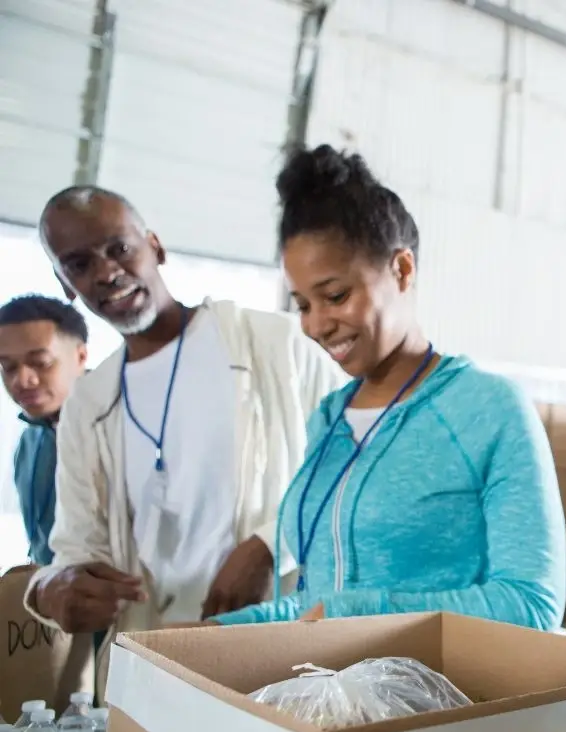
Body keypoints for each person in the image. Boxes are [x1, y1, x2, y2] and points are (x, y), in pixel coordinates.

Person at [210, 145, 566, 629]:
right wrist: (220, 634)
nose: (316, 326)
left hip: (436, 700)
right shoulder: (329, 418)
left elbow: (531, 606)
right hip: (324, 696)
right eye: (303, 304)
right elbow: (316, 603)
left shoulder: (487, 409)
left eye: (335, 296)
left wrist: (351, 614)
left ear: (401, 270)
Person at [22, 185, 345, 694]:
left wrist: (267, 546)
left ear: (155, 246)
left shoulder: (274, 346)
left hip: (281, 657)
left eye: (119, 248)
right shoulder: (89, 402)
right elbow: (76, 547)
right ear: (66, 284)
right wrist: (48, 591)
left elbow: (352, 470)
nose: (106, 272)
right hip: (156, 666)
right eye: (79, 264)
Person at [0, 296, 88, 566]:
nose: (22, 380)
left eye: (41, 362)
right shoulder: (30, 439)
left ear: (80, 356)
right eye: (7, 367)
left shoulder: (124, 427)